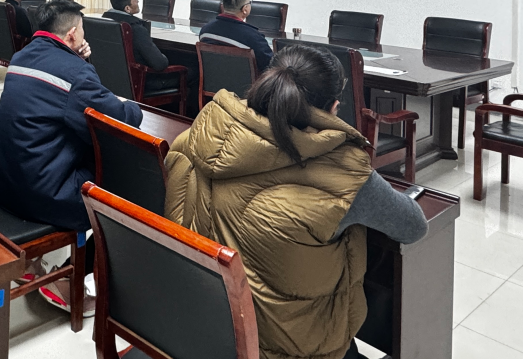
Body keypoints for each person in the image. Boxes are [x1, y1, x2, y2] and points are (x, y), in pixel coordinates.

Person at [165, 44, 428, 359]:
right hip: (294, 347)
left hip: (209, 324)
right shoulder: (344, 173)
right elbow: (414, 226)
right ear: (333, 107)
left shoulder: (201, 134)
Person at [0, 0, 143, 314]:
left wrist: (79, 62)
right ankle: (67, 280)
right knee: (129, 187)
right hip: (43, 196)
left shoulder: (20, 57)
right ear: (72, 34)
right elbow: (119, 120)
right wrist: (132, 106)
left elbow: (64, 95)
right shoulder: (75, 73)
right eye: (82, 32)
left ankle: (32, 262)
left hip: (1, 186)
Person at [103, 0, 197, 104]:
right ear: (127, 8)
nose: (138, 1)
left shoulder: (104, 23)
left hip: (112, 79)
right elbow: (160, 64)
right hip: (143, 81)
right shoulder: (136, 29)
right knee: (194, 70)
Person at [199, 0, 273, 72]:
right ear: (245, 9)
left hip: (213, 80)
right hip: (246, 81)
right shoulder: (254, 38)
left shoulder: (205, 31)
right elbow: (271, 65)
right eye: (250, 3)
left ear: (222, 6)